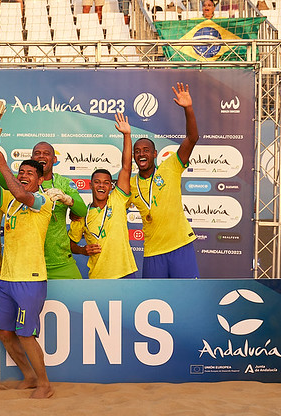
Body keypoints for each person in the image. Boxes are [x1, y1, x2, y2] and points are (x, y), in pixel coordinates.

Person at [0, 150, 55, 399]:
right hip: (6, 279)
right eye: (22, 172)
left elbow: (20, 192)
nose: (24, 175)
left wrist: (2, 165)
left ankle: (45, 384)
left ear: (40, 180)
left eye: (30, 173)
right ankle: (28, 375)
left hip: (30, 279)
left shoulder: (44, 201)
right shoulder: (10, 201)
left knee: (26, 335)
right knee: (4, 332)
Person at [131, 83, 200, 278]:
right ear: (133, 157)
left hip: (181, 246)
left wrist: (188, 108)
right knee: (154, 300)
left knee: (188, 296)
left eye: (145, 150)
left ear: (154, 154)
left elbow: (192, 138)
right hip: (153, 253)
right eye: (137, 152)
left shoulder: (171, 166)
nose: (141, 154)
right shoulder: (130, 184)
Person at [0, 141, 87, 279]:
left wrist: (67, 199)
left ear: (54, 160)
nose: (41, 156)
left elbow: (82, 211)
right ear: (31, 158)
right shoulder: (18, 182)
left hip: (60, 262)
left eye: (46, 153)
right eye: (37, 153)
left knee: (77, 297)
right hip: (29, 264)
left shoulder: (64, 183)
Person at [68, 113, 138, 279]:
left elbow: (126, 167)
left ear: (110, 186)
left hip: (126, 273)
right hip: (98, 277)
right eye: (97, 182)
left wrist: (127, 135)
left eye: (106, 182)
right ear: (90, 185)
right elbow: (70, 244)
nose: (101, 185)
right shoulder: (82, 214)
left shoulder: (118, 199)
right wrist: (83, 250)